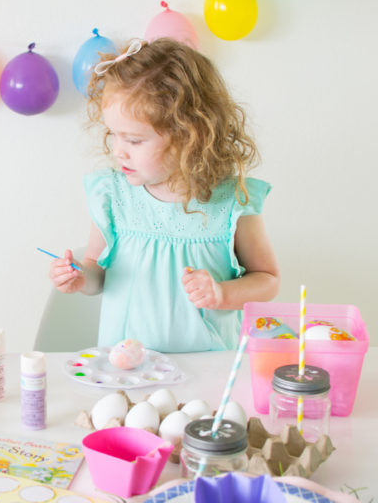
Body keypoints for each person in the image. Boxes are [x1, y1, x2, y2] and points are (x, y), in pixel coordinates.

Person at [48, 38, 279, 352]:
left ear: (189, 136)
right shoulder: (112, 196)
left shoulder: (231, 202)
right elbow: (96, 271)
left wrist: (222, 294)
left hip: (207, 366)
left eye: (134, 140)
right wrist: (79, 277)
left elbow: (267, 279)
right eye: (114, 135)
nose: (118, 151)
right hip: (129, 367)